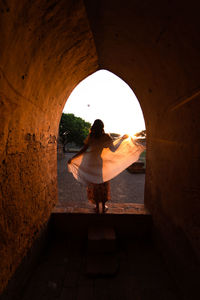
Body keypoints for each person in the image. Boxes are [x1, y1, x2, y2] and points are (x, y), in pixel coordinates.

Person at [67, 119, 145, 213]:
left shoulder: (91, 137)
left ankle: (96, 207)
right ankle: (103, 207)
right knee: (102, 183)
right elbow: (113, 149)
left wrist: (73, 158)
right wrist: (122, 140)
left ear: (93, 127)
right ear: (102, 127)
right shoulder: (106, 137)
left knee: (94, 185)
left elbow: (83, 150)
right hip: (99, 163)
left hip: (90, 163)